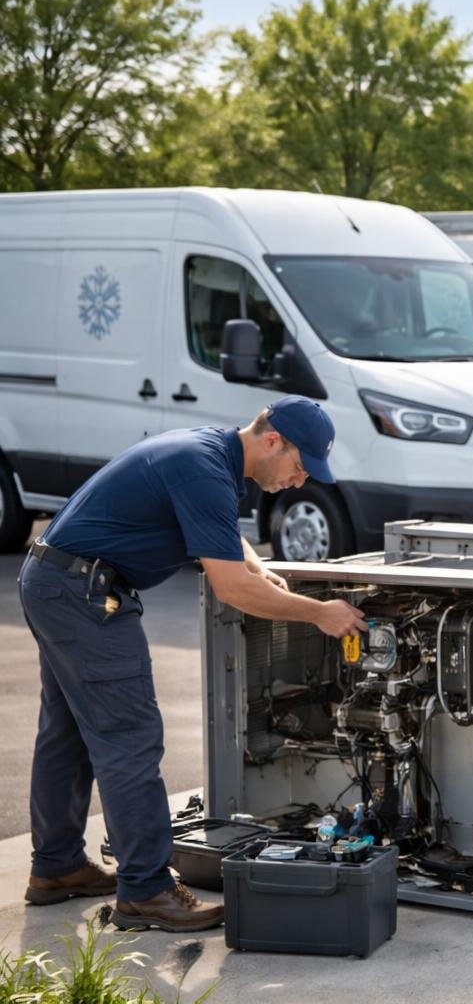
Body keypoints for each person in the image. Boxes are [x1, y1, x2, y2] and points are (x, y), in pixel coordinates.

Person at [19, 396, 368, 932]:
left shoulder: (208, 454)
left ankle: (57, 868)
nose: (299, 482)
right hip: (82, 595)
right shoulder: (205, 469)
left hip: (55, 581)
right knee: (129, 738)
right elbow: (230, 588)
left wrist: (261, 568)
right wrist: (320, 612)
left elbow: (223, 540)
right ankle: (147, 892)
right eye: (300, 467)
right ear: (273, 441)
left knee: (67, 732)